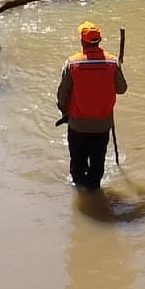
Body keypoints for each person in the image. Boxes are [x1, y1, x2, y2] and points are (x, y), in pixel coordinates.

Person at [56, 21, 128, 190]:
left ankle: (81, 194)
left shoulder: (72, 63)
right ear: (100, 40)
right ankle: (93, 192)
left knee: (78, 164)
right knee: (97, 164)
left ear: (82, 41)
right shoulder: (112, 63)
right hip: (102, 125)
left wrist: (64, 111)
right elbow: (122, 89)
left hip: (77, 124)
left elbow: (62, 95)